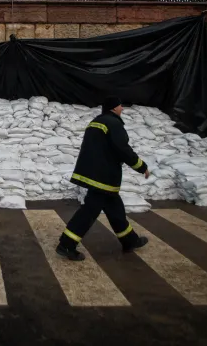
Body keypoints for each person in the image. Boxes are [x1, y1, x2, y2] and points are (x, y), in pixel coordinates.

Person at [56, 96, 150, 261]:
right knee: (89, 211)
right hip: (104, 177)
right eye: (120, 105)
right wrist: (141, 166)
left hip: (97, 174)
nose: (122, 108)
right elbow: (123, 149)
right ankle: (66, 244)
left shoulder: (97, 122)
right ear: (114, 107)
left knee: (115, 209)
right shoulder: (113, 123)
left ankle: (130, 240)